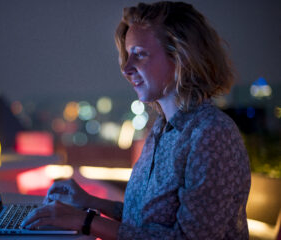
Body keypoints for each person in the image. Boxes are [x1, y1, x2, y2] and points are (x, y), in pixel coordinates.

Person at [21, 1, 251, 239]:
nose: (126, 68)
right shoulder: (163, 128)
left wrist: (84, 220)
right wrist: (90, 202)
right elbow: (146, 221)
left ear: (181, 58)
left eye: (139, 55)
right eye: (127, 55)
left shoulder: (211, 134)